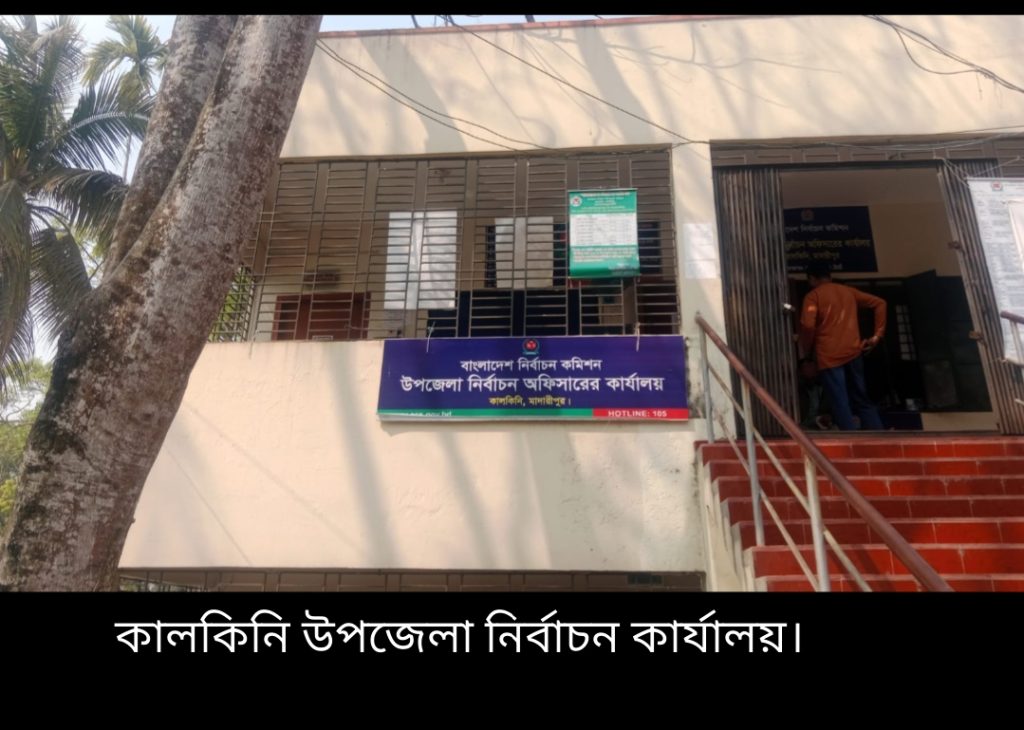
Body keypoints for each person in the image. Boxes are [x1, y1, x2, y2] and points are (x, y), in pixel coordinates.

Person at [798, 263, 887, 431]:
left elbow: (808, 326)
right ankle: (879, 436)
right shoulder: (848, 292)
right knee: (861, 398)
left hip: (829, 357)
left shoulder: (813, 296)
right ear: (829, 276)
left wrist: (807, 349)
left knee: (839, 401)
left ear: (812, 279)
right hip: (853, 352)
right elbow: (880, 303)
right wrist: (877, 336)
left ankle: (850, 439)